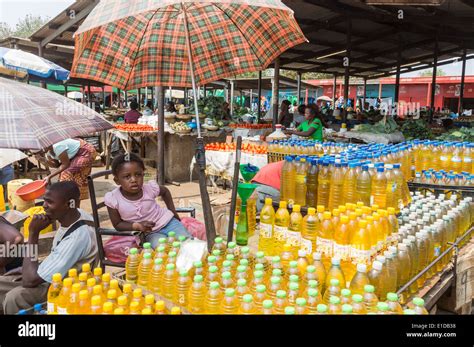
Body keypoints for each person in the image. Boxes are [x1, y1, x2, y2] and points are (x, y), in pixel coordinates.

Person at [0, 181, 98, 314]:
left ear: (69, 204)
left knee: (15, 297)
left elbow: (30, 281)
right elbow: (55, 258)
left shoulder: (77, 237)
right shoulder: (76, 214)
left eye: (50, 202)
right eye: (44, 201)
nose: (44, 206)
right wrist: (27, 268)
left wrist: (34, 233)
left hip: (64, 286)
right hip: (53, 274)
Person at [105, 154, 191, 249]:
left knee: (186, 242)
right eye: (127, 176)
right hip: (148, 232)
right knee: (161, 249)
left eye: (138, 175)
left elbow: (165, 191)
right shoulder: (113, 199)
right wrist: (137, 226)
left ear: (143, 175)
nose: (134, 180)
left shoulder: (149, 189)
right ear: (117, 180)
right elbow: (118, 224)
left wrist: (173, 212)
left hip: (168, 222)